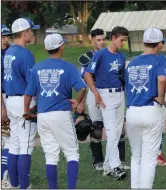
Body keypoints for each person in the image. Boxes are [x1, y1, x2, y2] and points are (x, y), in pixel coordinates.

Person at [24, 33, 86, 188]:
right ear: (62, 47)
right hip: (61, 113)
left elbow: (28, 94)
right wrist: (77, 101)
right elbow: (82, 87)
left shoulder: (37, 68)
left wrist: (27, 110)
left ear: (46, 48)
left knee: (51, 155)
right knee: (72, 153)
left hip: (43, 115)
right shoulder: (69, 67)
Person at [77, 28, 129, 171]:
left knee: (118, 130)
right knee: (99, 128)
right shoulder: (94, 56)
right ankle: (103, 162)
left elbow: (121, 76)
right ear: (92, 40)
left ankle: (113, 162)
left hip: (117, 94)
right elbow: (85, 76)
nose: (101, 42)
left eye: (102, 39)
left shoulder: (120, 56)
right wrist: (92, 95)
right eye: (98, 39)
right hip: (99, 92)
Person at [125, 27, 166, 188]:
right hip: (150, 109)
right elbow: (162, 79)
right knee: (149, 158)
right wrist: (161, 99)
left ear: (144, 42)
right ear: (160, 45)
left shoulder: (132, 62)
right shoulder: (158, 59)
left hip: (132, 111)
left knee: (136, 156)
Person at [3, 18, 39, 189]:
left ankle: (15, 184)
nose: (32, 33)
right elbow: (32, 84)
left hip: (10, 101)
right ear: (24, 33)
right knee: (25, 145)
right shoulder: (26, 54)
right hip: (23, 100)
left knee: (15, 144)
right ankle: (24, 186)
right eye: (31, 30)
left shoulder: (8, 52)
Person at [1, 24, 12, 187]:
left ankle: (4, 178)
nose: (4, 39)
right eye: (2, 36)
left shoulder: (10, 52)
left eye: (6, 36)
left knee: (7, 138)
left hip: (9, 97)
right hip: (2, 99)